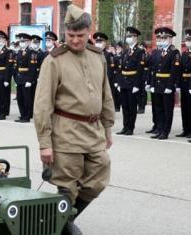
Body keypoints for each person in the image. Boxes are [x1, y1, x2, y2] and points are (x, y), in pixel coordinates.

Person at [34, 4, 114, 220]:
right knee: (67, 187)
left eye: (80, 35)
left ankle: (62, 223)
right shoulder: (54, 60)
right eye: (71, 35)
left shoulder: (98, 56)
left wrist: (108, 127)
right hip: (66, 132)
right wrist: (45, 142)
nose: (75, 40)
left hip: (93, 130)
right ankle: (60, 232)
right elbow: (42, 104)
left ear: (89, 32)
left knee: (100, 173)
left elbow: (105, 94)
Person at [148, 27, 180, 140]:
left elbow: (174, 71)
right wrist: (152, 84)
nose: (163, 39)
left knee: (167, 110)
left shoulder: (174, 53)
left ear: (171, 39)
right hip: (157, 84)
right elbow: (154, 70)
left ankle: (165, 131)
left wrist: (170, 86)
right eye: (161, 37)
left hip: (167, 85)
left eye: (165, 37)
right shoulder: (158, 52)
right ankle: (160, 129)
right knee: (159, 109)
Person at [116, 26, 145, 135]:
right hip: (124, 82)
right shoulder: (125, 51)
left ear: (136, 37)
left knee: (132, 107)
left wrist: (137, 85)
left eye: (130, 36)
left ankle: (130, 128)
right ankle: (125, 127)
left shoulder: (140, 52)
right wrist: (119, 82)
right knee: (125, 106)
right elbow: (120, 68)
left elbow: (140, 69)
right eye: (127, 36)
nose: (128, 38)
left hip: (133, 82)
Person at [177, 29, 191, 138]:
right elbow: (180, 70)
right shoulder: (184, 54)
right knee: (184, 108)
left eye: (190, 39)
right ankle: (185, 129)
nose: (187, 42)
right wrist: (178, 85)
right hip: (184, 84)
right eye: (186, 40)